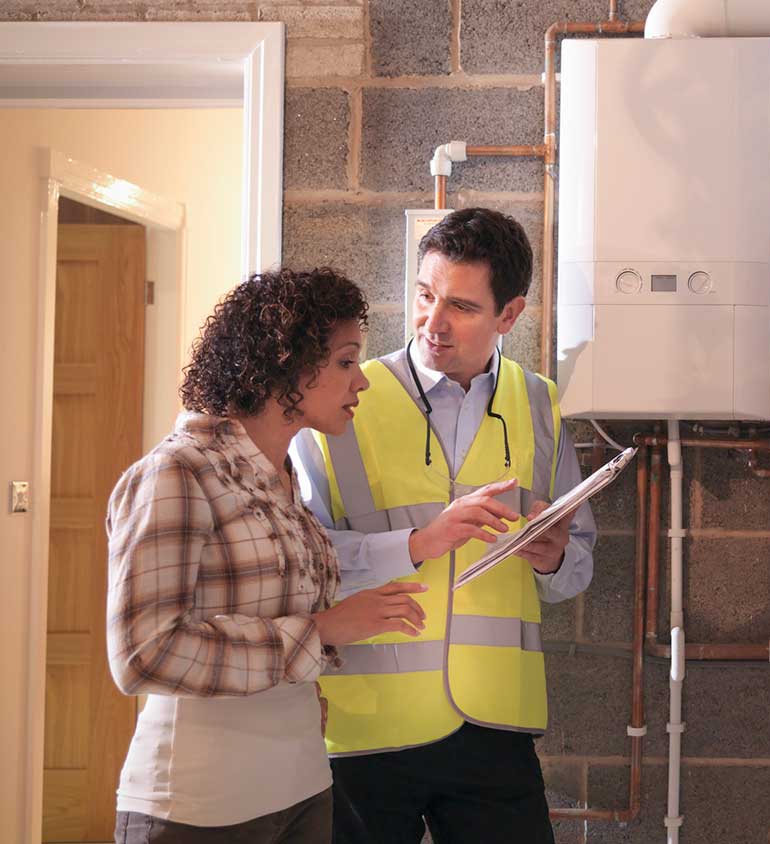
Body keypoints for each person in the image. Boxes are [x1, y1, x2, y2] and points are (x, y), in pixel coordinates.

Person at [291, 208, 597, 844]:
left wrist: (551, 557)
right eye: (425, 295)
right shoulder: (345, 395)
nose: (433, 322)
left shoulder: (540, 405)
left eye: (460, 305)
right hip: (365, 730)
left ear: (508, 315)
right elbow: (300, 559)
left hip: (494, 729)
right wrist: (414, 545)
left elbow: (577, 570)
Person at [106, 268, 429, 844]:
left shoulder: (283, 480)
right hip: (197, 809)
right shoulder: (178, 472)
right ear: (288, 365)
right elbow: (144, 654)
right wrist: (321, 631)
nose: (363, 382)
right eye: (346, 361)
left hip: (304, 791)